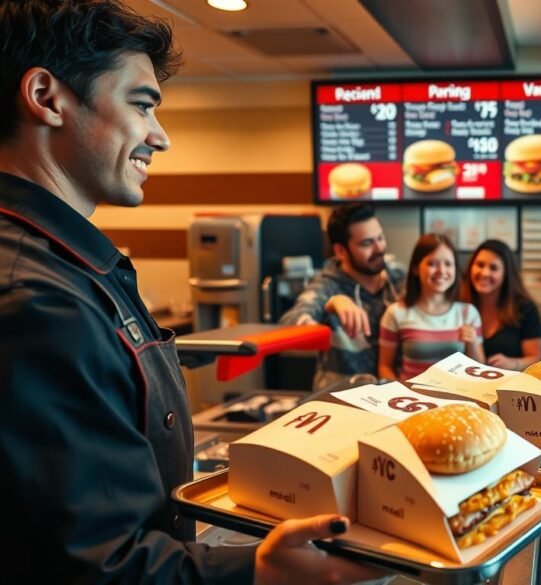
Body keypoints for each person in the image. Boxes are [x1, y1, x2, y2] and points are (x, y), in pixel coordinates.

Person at [0, 2, 385, 583]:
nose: (161, 136)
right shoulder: (38, 299)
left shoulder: (72, 268)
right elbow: (101, 567)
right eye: (141, 104)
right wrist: (263, 571)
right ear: (47, 97)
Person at [280, 202, 402, 390]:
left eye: (380, 238)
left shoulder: (397, 276)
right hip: (340, 402)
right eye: (367, 243)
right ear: (341, 251)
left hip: (392, 400)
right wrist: (332, 303)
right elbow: (288, 327)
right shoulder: (326, 286)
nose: (379, 249)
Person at [378, 233, 484, 381]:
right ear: (415, 268)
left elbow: (480, 371)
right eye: (432, 263)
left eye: (448, 264)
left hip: (458, 399)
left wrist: (472, 343)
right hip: (412, 400)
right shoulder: (396, 313)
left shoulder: (468, 313)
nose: (441, 270)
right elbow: (385, 367)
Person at [462, 239, 541, 370]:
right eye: (480, 265)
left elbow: (535, 358)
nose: (484, 273)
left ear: (506, 274)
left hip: (512, 384)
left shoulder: (525, 308)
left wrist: (514, 363)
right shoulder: (460, 305)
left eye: (493, 268)